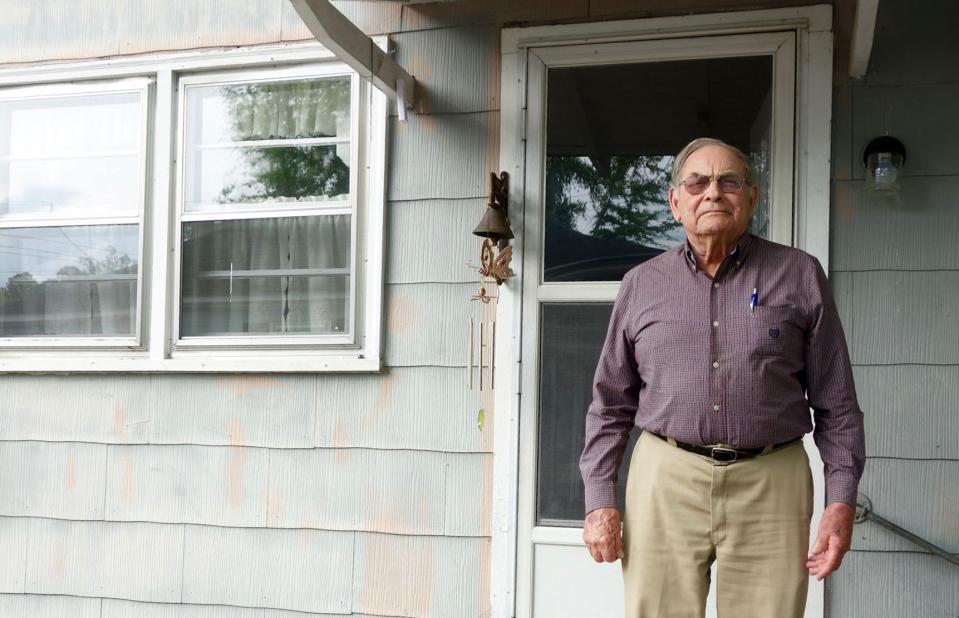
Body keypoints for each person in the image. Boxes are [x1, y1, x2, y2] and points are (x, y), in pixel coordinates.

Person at [579, 137, 865, 618]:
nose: (712, 192)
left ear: (751, 198)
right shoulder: (641, 284)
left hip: (771, 483)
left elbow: (837, 404)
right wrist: (599, 500)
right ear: (675, 202)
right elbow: (610, 403)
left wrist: (841, 501)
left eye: (728, 181)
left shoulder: (800, 275)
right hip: (665, 478)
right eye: (697, 182)